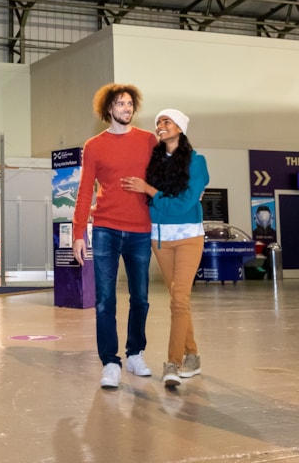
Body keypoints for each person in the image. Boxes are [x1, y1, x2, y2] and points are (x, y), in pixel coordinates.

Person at [73, 83, 155, 390]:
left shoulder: (148, 141)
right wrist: (79, 232)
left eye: (130, 104)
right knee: (105, 300)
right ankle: (110, 362)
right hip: (105, 228)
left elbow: (164, 177)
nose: (127, 108)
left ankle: (135, 353)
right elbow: (83, 192)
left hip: (141, 230)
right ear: (109, 109)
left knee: (142, 298)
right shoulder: (94, 145)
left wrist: (151, 191)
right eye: (121, 104)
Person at [123, 108, 209, 390]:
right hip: (160, 239)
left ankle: (172, 363)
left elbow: (182, 205)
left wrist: (150, 191)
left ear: (180, 128)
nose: (160, 126)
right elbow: (164, 203)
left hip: (188, 238)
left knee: (178, 299)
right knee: (178, 300)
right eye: (158, 122)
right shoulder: (155, 162)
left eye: (166, 121)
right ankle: (193, 356)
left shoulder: (197, 162)